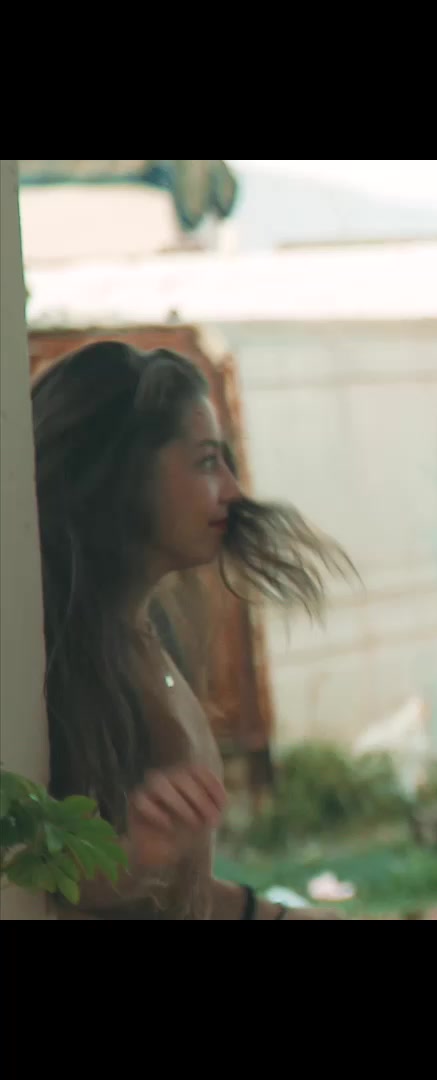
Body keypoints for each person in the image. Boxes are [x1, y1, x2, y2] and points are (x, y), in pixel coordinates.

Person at [32, 341, 353, 920]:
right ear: (123, 473)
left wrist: (270, 914)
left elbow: (182, 889)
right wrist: (135, 857)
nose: (232, 490)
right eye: (207, 462)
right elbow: (48, 885)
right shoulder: (44, 664)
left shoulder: (146, 632)